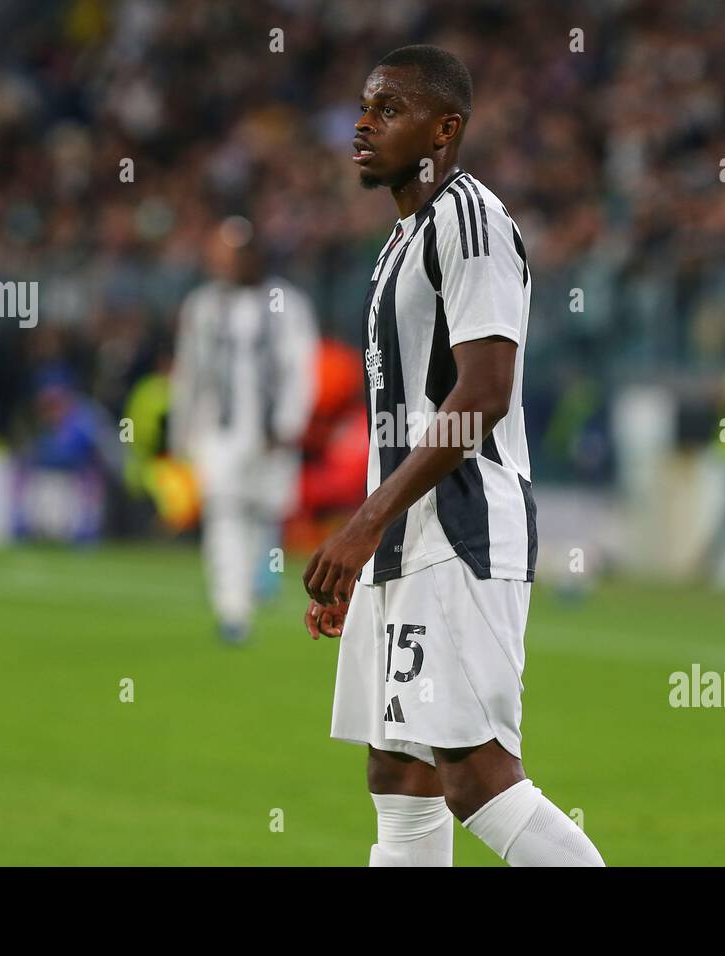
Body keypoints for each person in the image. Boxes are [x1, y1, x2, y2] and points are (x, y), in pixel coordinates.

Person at [302, 45, 604, 866]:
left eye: (390, 109)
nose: (364, 123)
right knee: (398, 774)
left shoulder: (469, 221)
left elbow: (482, 395)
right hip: (405, 540)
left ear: (447, 128)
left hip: (464, 531)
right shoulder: (405, 238)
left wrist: (364, 525)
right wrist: (373, 552)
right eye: (364, 106)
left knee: (477, 777)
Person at [171, 216, 317, 644]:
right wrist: (183, 431)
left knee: (264, 511)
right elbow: (189, 373)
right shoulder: (202, 306)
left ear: (254, 256)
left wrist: (290, 422)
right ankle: (231, 608)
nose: (224, 264)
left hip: (271, 433)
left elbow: (299, 369)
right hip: (219, 432)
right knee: (224, 511)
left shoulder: (286, 303)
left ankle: (255, 581)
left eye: (232, 254)